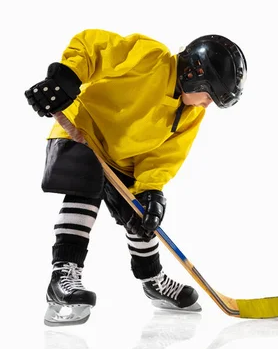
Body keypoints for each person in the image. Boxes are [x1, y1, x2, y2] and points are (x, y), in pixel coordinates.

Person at [24, 29, 247, 326]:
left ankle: (152, 279)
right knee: (84, 190)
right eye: (208, 95)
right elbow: (93, 48)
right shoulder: (149, 57)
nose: (207, 104)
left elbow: (165, 156)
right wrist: (65, 78)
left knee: (141, 217)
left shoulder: (191, 113)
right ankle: (62, 277)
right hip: (82, 131)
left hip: (124, 160)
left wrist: (151, 189)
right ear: (195, 75)